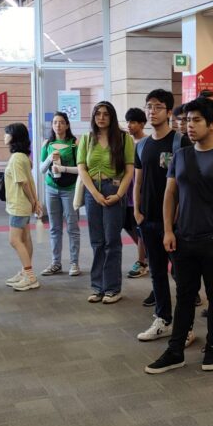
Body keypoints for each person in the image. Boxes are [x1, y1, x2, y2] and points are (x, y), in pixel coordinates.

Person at [145, 98, 213, 374]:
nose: (189, 126)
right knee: (185, 295)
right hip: (184, 238)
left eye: (196, 120)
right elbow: (170, 195)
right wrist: (168, 230)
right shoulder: (181, 156)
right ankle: (175, 349)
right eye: (187, 120)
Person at [135, 89, 188, 341]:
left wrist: (177, 216)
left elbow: (186, 184)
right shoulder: (143, 144)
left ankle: (185, 326)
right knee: (156, 271)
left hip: (175, 222)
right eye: (148, 106)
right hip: (148, 220)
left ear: (169, 111)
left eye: (157, 107)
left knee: (181, 273)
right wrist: (136, 211)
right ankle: (163, 319)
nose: (151, 111)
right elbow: (138, 181)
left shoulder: (180, 142)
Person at [77, 101, 135, 304]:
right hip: (93, 191)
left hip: (114, 190)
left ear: (111, 117)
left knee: (112, 241)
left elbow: (129, 170)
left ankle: (112, 288)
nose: (101, 117)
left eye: (106, 114)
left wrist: (119, 194)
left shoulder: (123, 138)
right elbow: (82, 168)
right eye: (97, 114)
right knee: (97, 241)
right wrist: (94, 193)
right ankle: (97, 287)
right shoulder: (86, 138)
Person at [39, 111, 81, 277]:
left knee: (73, 227)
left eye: (61, 122)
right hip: (51, 189)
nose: (58, 125)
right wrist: (50, 158)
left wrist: (63, 169)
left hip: (69, 190)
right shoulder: (47, 144)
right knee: (54, 228)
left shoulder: (74, 144)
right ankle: (56, 262)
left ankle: (74, 263)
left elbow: (81, 169)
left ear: (67, 125)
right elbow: (42, 169)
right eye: (55, 122)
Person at [3, 123, 43, 291]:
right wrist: (35, 201)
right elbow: (30, 181)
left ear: (14, 137)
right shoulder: (23, 157)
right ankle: (25, 272)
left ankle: (30, 276)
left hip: (18, 205)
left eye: (7, 134)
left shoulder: (17, 158)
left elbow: (24, 183)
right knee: (25, 238)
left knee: (14, 240)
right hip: (23, 204)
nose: (4, 136)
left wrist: (34, 201)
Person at [124, 107, 148, 279]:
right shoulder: (127, 142)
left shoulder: (146, 143)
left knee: (141, 227)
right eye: (128, 122)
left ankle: (142, 261)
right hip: (127, 190)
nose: (129, 125)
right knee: (128, 223)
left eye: (133, 122)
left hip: (141, 190)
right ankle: (146, 252)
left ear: (142, 124)